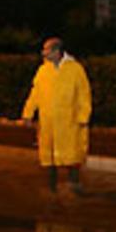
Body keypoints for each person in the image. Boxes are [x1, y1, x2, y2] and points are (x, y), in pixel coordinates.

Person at [21, 37, 92, 195]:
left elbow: (83, 94)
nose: (43, 53)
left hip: (69, 121)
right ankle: (51, 186)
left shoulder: (75, 69)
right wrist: (28, 113)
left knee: (71, 154)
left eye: (46, 49)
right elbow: (35, 93)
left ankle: (74, 183)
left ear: (57, 51)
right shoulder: (43, 70)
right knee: (49, 155)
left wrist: (83, 117)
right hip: (48, 121)